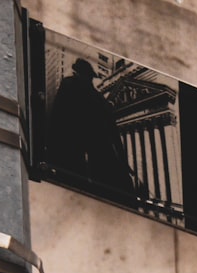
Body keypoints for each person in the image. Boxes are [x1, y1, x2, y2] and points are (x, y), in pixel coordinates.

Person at [46, 58, 136, 199]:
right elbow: (114, 133)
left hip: (87, 157)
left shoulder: (73, 86)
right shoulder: (96, 97)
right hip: (88, 156)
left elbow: (58, 120)